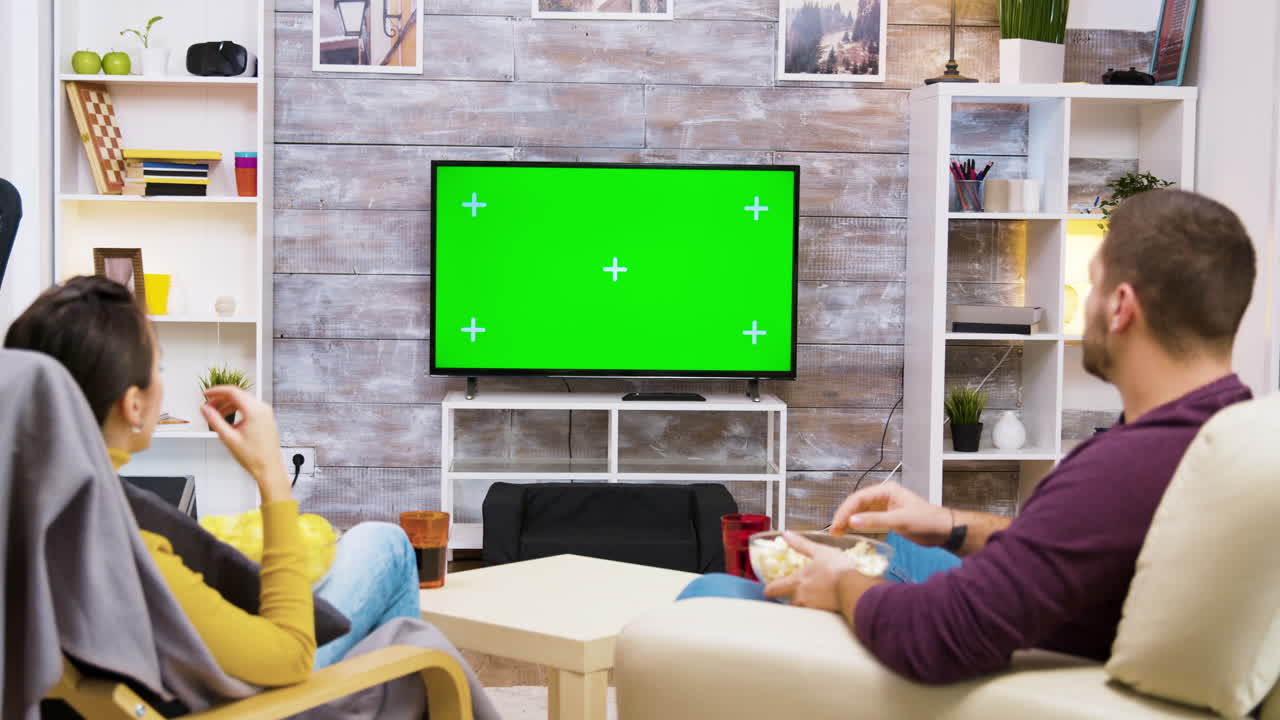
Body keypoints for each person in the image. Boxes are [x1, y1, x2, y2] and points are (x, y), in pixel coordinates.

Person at [680, 189, 1257, 683]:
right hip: (1054, 613)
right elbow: (1082, 549)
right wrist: (951, 525)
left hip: (995, 659)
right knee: (902, 542)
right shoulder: (1229, 424)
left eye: (1093, 287)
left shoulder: (1125, 468)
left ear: (1122, 307)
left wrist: (841, 585)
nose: (1085, 310)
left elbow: (936, 637)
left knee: (709, 599)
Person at [4, 276, 420, 682]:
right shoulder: (120, 551)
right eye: (160, 367)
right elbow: (291, 656)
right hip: (260, 703)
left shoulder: (33, 510)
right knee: (387, 545)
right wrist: (270, 476)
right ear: (132, 405)